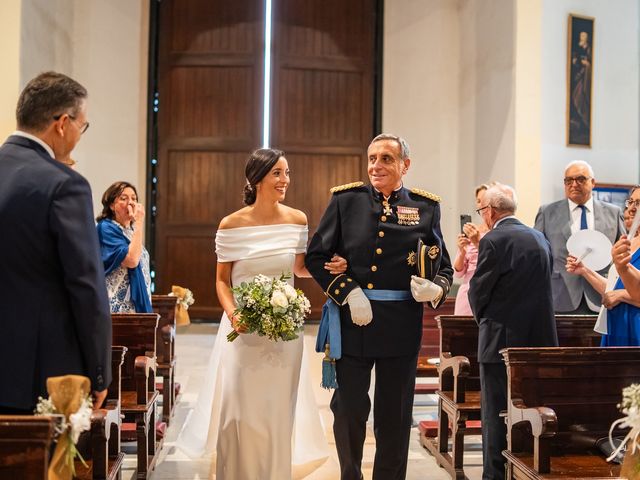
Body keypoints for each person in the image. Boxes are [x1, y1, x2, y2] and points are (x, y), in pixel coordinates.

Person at [177, 148, 347, 479]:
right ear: (257, 179)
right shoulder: (231, 224)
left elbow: (299, 269)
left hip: (285, 334)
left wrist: (333, 267)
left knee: (276, 411)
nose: (285, 180)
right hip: (242, 332)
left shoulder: (297, 219)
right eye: (277, 174)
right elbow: (222, 281)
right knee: (238, 410)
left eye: (287, 173)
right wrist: (234, 313)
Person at [305, 133, 453, 480]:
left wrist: (436, 288)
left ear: (405, 165)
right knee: (349, 410)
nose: (376, 165)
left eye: (386, 158)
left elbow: (443, 265)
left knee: (395, 416)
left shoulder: (425, 207)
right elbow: (316, 256)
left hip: (401, 327)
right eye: (372, 158)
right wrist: (347, 291)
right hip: (353, 323)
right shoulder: (346, 201)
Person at [0, 72, 111, 413]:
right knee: (38, 466)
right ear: (63, 123)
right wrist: (99, 372)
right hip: (37, 372)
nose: (80, 135)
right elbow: (86, 285)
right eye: (82, 125)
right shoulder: (64, 185)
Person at [469, 183, 558, 480]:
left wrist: (484, 321)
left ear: (491, 211)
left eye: (482, 211)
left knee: (495, 415)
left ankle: (493, 475)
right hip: (539, 343)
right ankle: (524, 470)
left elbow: (479, 291)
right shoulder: (540, 238)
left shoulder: (493, 239)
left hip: (500, 344)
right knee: (529, 412)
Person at [534, 160, 624, 314]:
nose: (574, 184)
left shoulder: (613, 213)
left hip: (603, 295)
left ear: (593, 182)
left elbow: (622, 253)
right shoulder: (547, 212)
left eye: (580, 179)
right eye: (569, 180)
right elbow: (537, 254)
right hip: (560, 296)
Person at [566, 186, 640, 346]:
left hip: (636, 326)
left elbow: (621, 291)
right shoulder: (629, 242)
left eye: (639, 203)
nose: (632, 209)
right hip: (617, 323)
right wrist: (585, 271)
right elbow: (613, 288)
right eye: (631, 202)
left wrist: (622, 295)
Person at [96, 181, 152, 313]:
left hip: (134, 307)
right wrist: (139, 223)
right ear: (111, 205)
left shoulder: (130, 231)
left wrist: (136, 227)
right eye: (124, 198)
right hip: (117, 307)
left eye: (134, 198)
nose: (131, 203)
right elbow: (131, 260)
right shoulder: (106, 228)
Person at [453, 183, 490, 315]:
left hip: (489, 292)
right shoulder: (472, 230)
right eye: (478, 201)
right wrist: (462, 250)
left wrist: (477, 243)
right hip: (467, 292)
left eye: (484, 200)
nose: (480, 205)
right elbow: (458, 272)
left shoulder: (499, 232)